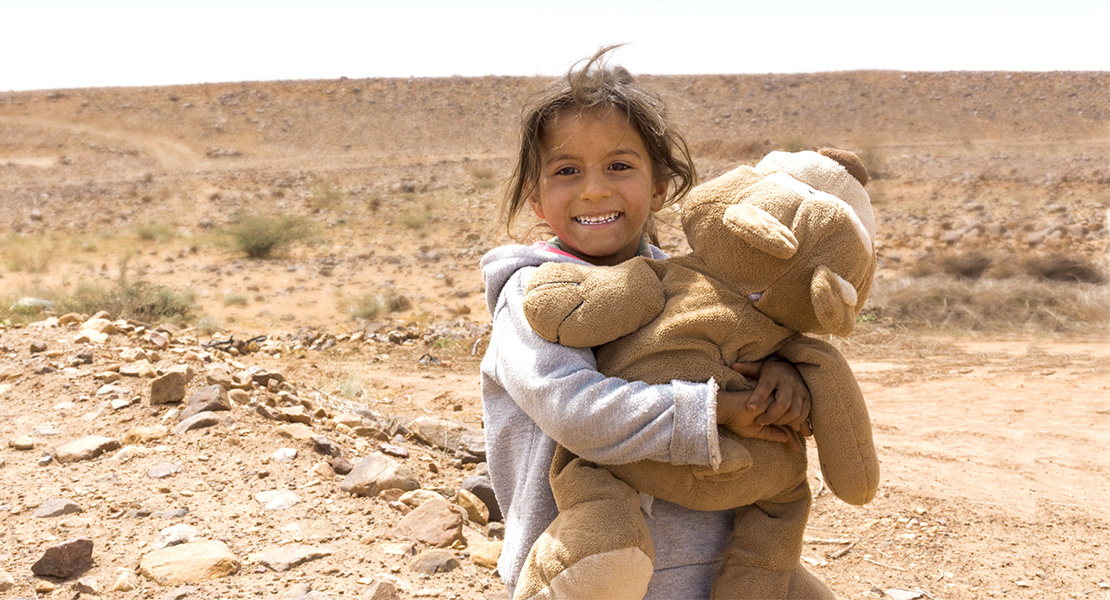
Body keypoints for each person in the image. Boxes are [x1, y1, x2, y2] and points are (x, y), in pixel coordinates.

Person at [479, 47, 812, 599]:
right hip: (583, 577)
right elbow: (576, 411)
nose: (594, 189)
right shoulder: (533, 295)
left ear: (659, 185)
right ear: (536, 198)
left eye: (619, 165)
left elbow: (740, 345)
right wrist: (721, 411)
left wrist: (782, 372)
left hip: (707, 577)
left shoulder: (692, 288)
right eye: (567, 171)